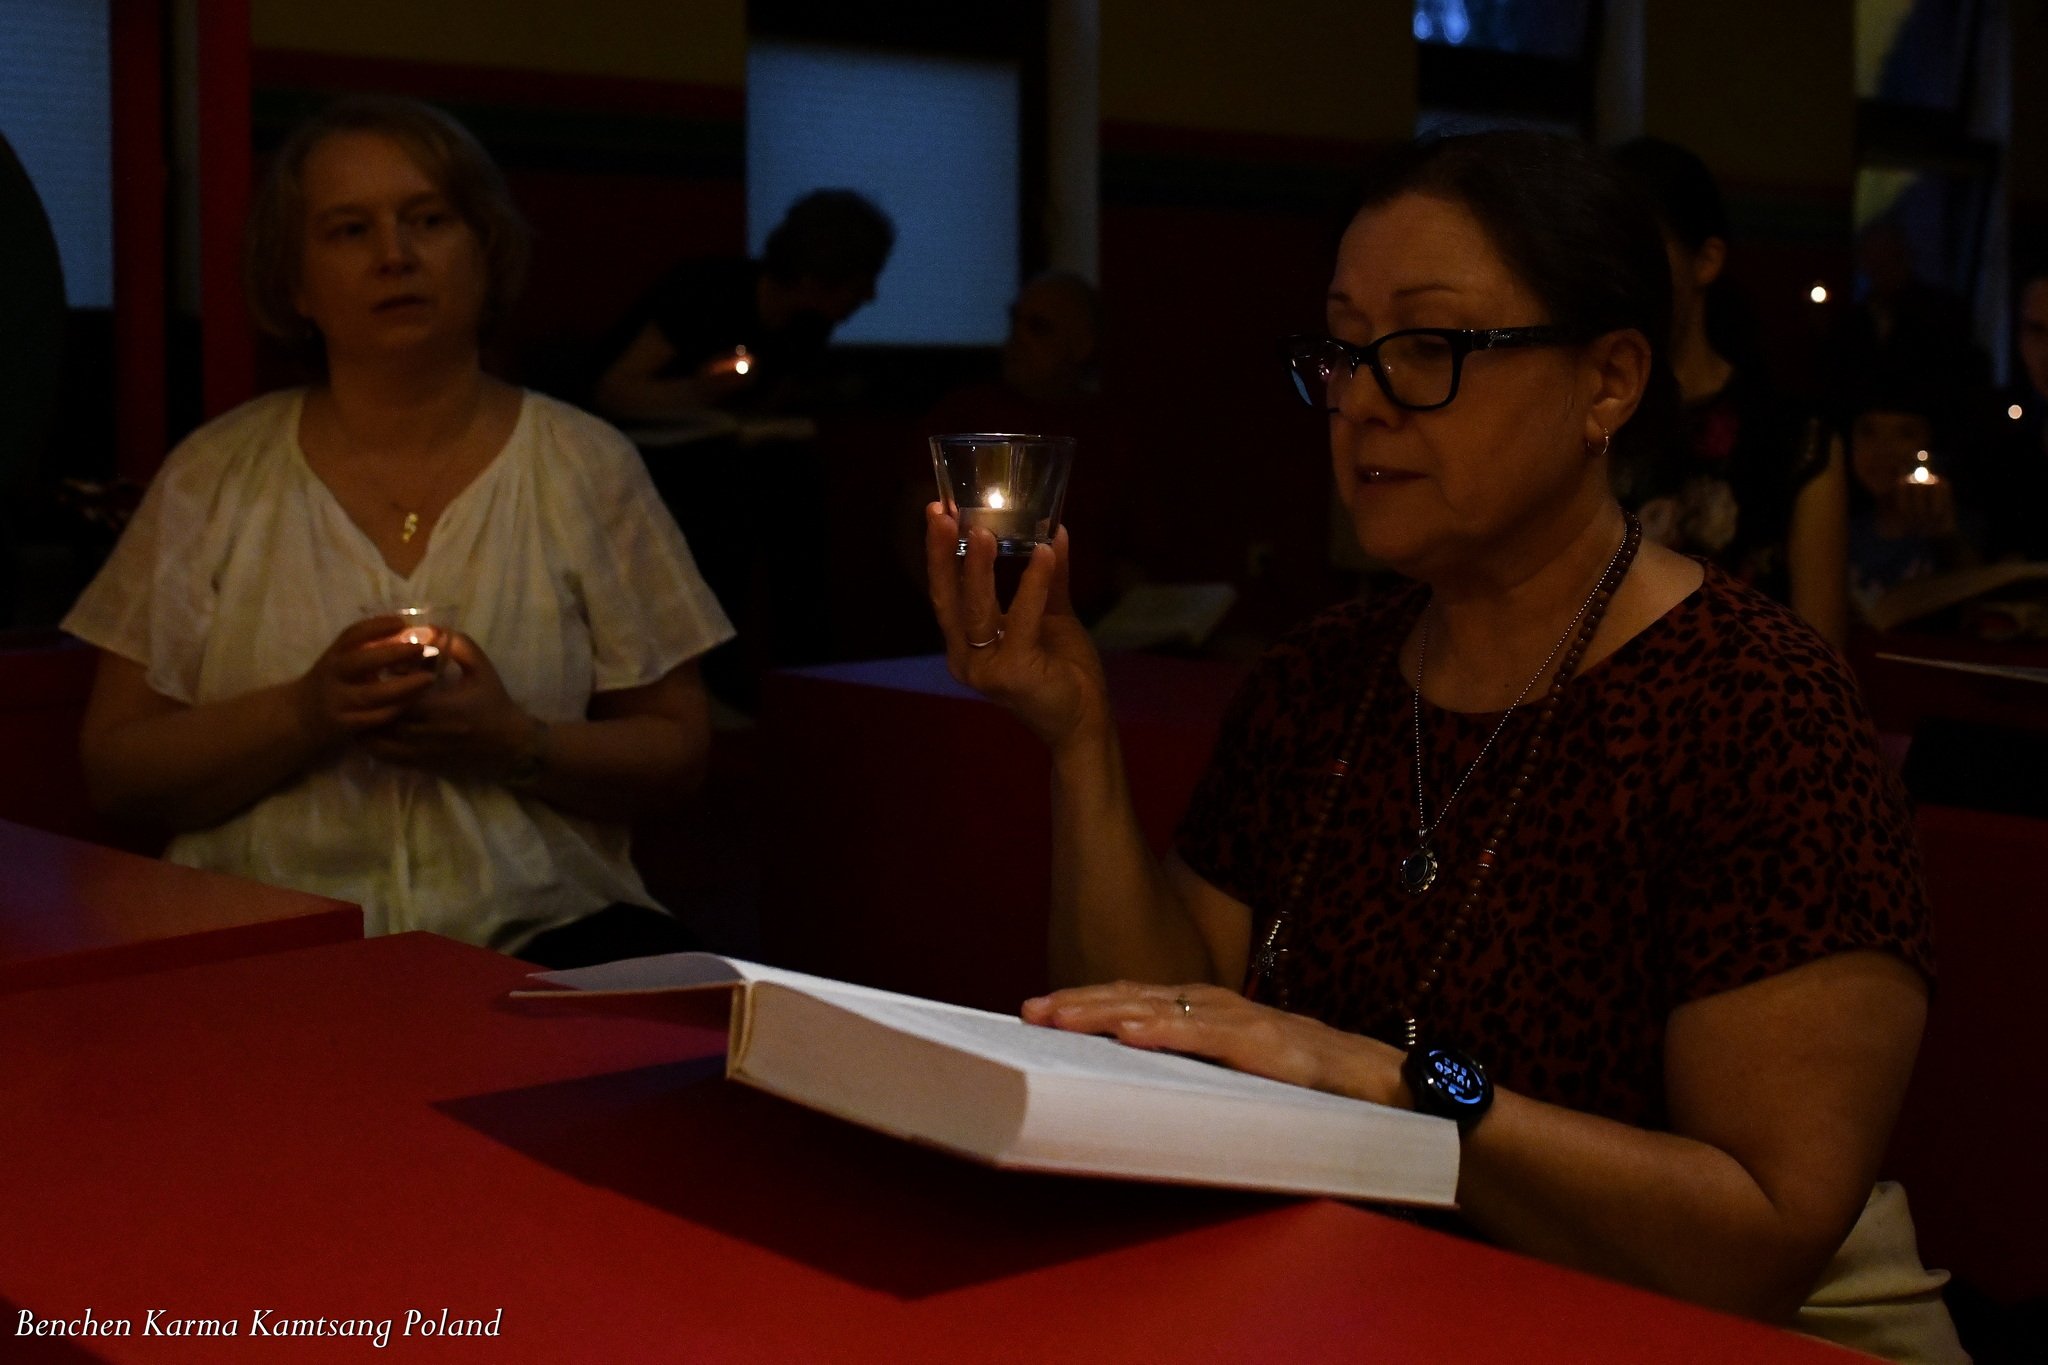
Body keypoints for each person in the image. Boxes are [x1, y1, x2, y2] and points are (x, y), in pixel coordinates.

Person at [926, 132, 1961, 1363]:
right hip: (1364, 1302)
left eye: (1427, 347)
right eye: (1342, 349)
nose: (1361, 400)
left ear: (1607, 383)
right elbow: (1161, 1028)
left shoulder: (1756, 705)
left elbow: (1755, 1244)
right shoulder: (1324, 674)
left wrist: (1396, 1084)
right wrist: (1078, 738)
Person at [64, 96, 733, 969]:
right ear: (296, 283)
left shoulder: (585, 465)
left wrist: (515, 742)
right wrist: (306, 712)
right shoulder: (214, 472)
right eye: (350, 231)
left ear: (485, 251)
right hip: (264, 943)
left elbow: (677, 748)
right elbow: (117, 769)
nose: (395, 255)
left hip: (546, 935)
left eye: (428, 220)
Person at [591, 189, 894, 710]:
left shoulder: (807, 326)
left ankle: (804, 679)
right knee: (726, 492)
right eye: (860, 280)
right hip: (648, 448)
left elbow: (766, 400)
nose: (868, 296)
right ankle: (711, 681)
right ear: (817, 277)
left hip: (729, 447)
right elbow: (611, 390)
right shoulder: (706, 291)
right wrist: (698, 391)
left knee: (788, 478)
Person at [1609, 138, 1850, 650]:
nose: (1619, 279)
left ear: (1706, 260)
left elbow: (1820, 661)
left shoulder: (1792, 440)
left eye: (1641, 253)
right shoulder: (1582, 422)